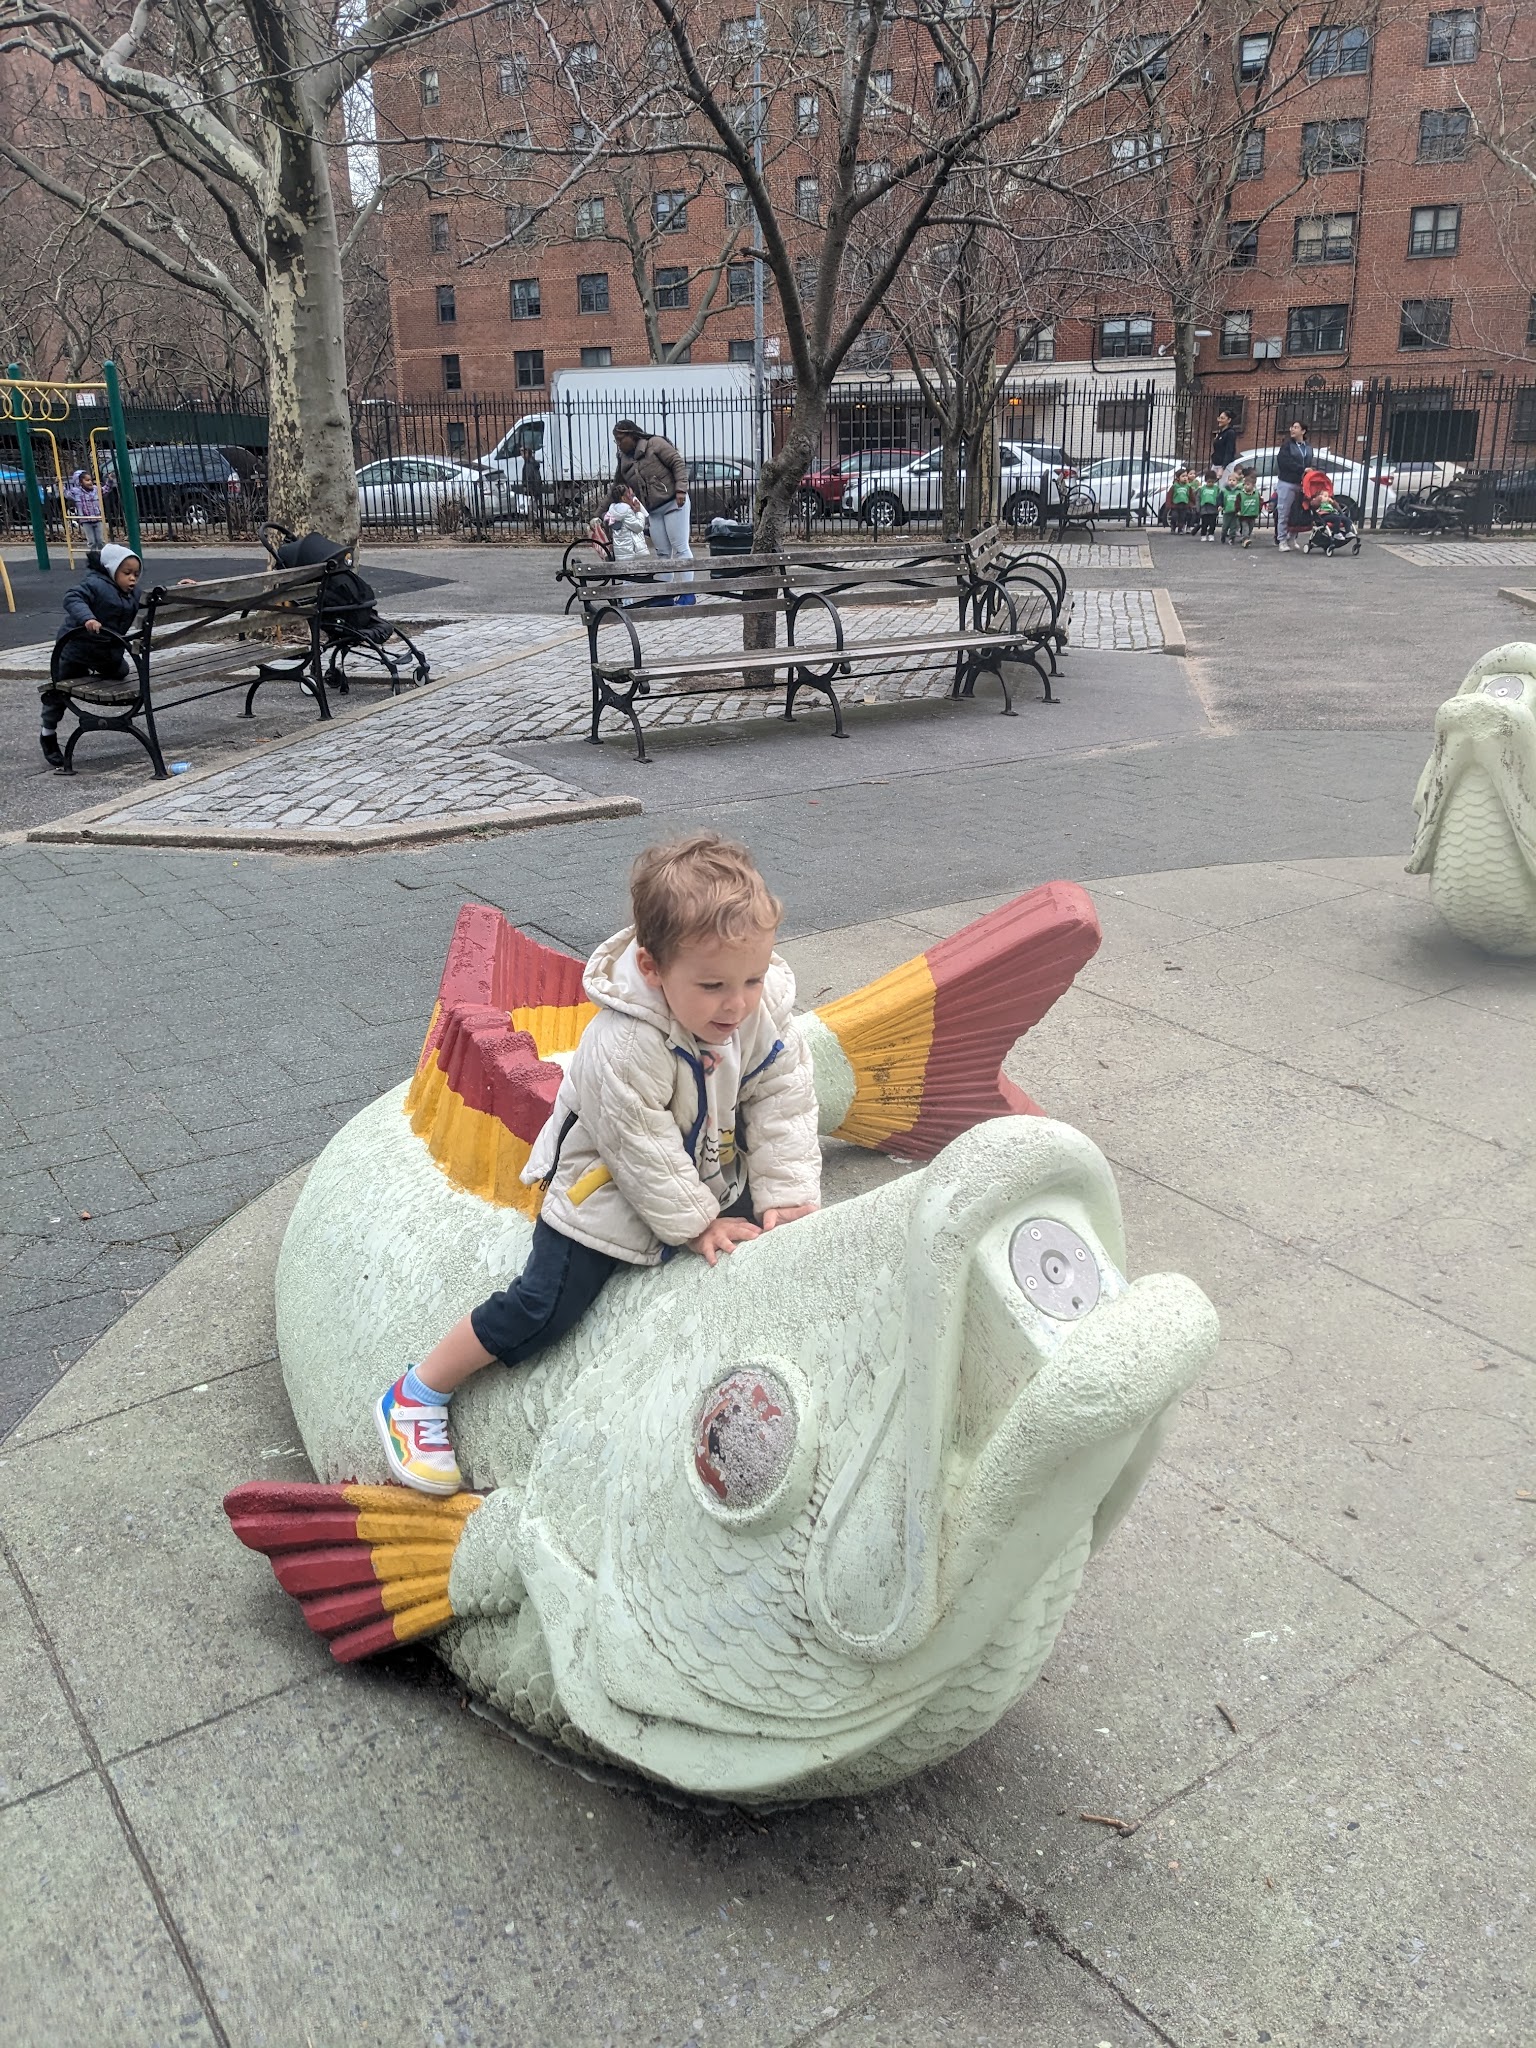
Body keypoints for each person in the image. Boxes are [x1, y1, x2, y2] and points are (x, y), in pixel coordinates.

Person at [375, 831, 823, 1496]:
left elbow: (782, 1096)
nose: (737, 1003)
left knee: (773, 1243)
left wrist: (786, 1190)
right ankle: (418, 1392)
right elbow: (638, 1148)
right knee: (544, 1307)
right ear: (651, 968)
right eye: (713, 985)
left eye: (753, 979)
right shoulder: (623, 1045)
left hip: (700, 1164)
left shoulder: (757, 1016)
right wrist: (700, 1224)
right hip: (608, 1182)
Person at [40, 542, 140, 768]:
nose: (132, 579)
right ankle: (48, 734)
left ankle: (101, 680)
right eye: (127, 573)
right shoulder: (95, 585)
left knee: (121, 671)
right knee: (60, 690)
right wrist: (87, 618)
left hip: (104, 651)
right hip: (75, 650)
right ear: (112, 571)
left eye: (136, 574)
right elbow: (72, 598)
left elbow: (150, 599)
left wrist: (170, 592)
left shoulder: (131, 593)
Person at [613, 419, 694, 601]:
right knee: (663, 553)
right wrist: (600, 514)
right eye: (616, 441)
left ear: (632, 435)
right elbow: (617, 486)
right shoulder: (624, 458)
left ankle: (688, 593)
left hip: (674, 502)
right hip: (654, 510)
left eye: (620, 439)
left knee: (680, 547)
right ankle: (665, 595)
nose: (618, 444)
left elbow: (677, 463)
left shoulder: (655, 444)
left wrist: (681, 489)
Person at [1274, 419, 1313, 552]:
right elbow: (1284, 462)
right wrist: (1301, 469)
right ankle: (1282, 540)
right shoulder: (1287, 446)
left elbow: (1309, 461)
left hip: (1301, 483)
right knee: (1284, 512)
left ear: (1303, 431)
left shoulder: (1307, 447)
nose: (1292, 429)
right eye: (1292, 427)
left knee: (1297, 512)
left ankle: (1292, 537)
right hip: (1287, 482)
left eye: (1296, 427)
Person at [590, 482, 650, 561]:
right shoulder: (627, 512)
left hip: (621, 551)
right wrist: (638, 512)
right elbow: (639, 527)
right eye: (630, 495)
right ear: (623, 498)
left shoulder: (614, 510)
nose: (633, 497)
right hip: (631, 551)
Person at [65, 469, 105, 550]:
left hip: (97, 517)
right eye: (87, 480)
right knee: (92, 542)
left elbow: (105, 490)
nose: (90, 482)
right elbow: (67, 495)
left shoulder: (95, 489)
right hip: (85, 520)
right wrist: (60, 485)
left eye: (91, 480)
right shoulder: (76, 492)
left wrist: (110, 481)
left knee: (101, 541)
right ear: (80, 482)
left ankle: (102, 557)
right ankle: (93, 558)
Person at [520, 446, 545, 537]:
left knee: (532, 507)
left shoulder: (530, 464)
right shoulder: (529, 463)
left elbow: (531, 477)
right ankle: (535, 523)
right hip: (533, 488)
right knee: (532, 507)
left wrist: (528, 487)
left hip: (533, 489)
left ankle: (536, 524)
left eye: (523, 451)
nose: (521, 454)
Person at [1235, 467, 1262, 547]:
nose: (1246, 486)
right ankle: (1245, 539)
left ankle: (1245, 537)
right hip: (1243, 514)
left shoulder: (1256, 492)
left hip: (1252, 514)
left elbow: (1259, 502)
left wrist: (1259, 510)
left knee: (1250, 528)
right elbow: (1237, 502)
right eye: (1245, 485)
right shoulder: (1241, 491)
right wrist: (1238, 510)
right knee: (1245, 527)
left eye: (1248, 485)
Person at [1210, 410, 1238, 480]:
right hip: (1216, 464)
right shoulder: (1221, 433)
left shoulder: (1230, 433)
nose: (1220, 420)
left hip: (1225, 466)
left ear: (1229, 420)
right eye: (1219, 418)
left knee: (1222, 488)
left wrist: (1222, 468)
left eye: (1222, 418)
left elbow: (1229, 451)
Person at [1218, 472, 1243, 545]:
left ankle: (1232, 539)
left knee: (1233, 527)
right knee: (1225, 526)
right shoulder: (1224, 491)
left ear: (1237, 482)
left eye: (1234, 480)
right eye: (1230, 480)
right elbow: (1220, 499)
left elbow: (1240, 501)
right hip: (1227, 511)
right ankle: (1223, 535)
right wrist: (1220, 506)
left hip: (1235, 512)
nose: (1231, 481)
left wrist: (1239, 510)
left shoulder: (1239, 492)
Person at [1196, 469, 1222, 540]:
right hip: (1204, 508)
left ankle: (1211, 534)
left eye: (1212, 482)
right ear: (1206, 481)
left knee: (1212, 523)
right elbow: (1198, 498)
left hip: (1213, 509)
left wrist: (1219, 506)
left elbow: (1219, 498)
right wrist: (1198, 508)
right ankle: (1203, 534)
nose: (1210, 483)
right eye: (1209, 481)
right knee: (1204, 523)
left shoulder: (1217, 489)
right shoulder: (1202, 489)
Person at [1166, 468, 1193, 535]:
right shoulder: (1174, 486)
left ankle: (1180, 529)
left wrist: (1192, 503)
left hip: (1184, 505)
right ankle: (1173, 527)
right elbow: (1169, 495)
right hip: (1175, 505)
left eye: (1186, 476)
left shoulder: (1188, 486)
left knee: (1182, 518)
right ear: (1178, 478)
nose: (1185, 478)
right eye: (1183, 476)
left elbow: (1191, 496)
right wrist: (1169, 504)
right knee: (1174, 516)